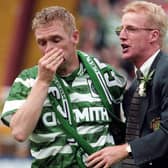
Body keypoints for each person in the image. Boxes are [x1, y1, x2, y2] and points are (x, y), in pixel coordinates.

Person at [0, 6, 126, 168]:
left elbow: (129, 130)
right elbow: (19, 132)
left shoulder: (106, 76)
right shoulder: (27, 80)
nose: (49, 49)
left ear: (74, 37)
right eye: (42, 42)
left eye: (56, 40)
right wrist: (43, 82)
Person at [86, 1, 168, 168]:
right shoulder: (132, 90)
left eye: (130, 29)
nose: (122, 36)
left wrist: (126, 149)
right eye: (120, 29)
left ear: (153, 35)